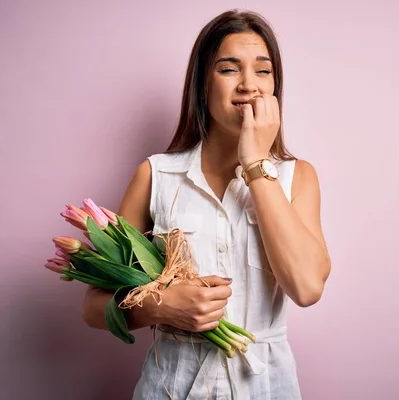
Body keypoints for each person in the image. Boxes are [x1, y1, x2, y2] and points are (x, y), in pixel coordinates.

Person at [81, 9, 331, 399]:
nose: (249, 85)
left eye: (263, 71)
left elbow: (306, 287)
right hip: (169, 389)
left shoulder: (297, 176)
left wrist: (255, 164)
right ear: (202, 85)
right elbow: (94, 307)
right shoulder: (155, 176)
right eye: (229, 69)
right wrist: (161, 306)